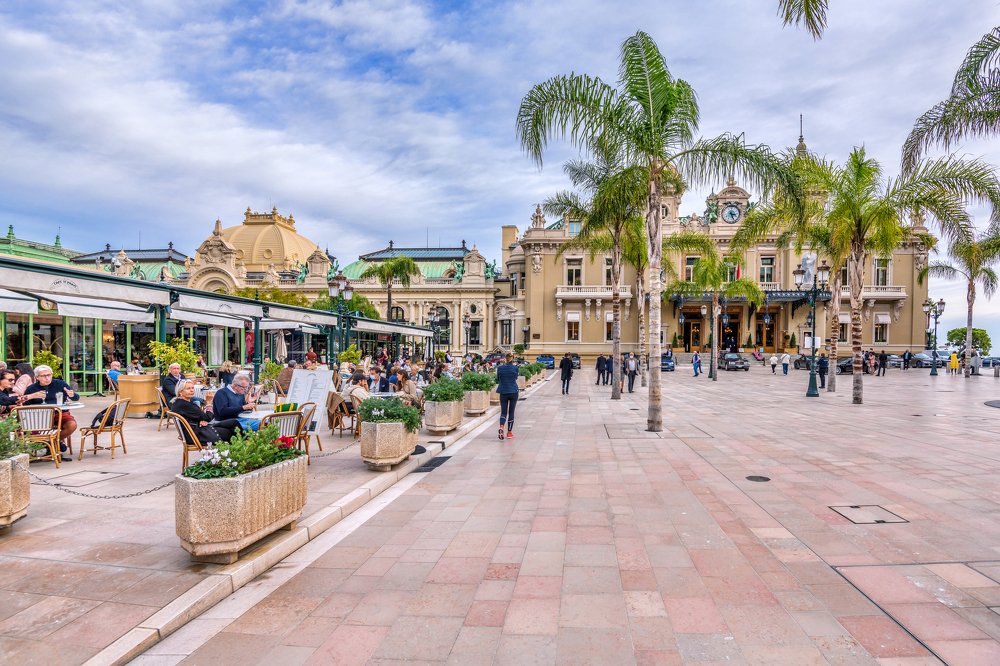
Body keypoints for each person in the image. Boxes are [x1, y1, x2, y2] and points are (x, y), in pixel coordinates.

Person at [23, 365, 78, 456]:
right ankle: (53, 444)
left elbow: (76, 397)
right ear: (37, 377)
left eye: (49, 375)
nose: (47, 378)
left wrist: (72, 395)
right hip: (39, 416)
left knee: (72, 425)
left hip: (59, 413)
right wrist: (33, 396)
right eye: (44, 376)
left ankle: (52, 442)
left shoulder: (60, 384)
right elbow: (25, 405)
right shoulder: (31, 389)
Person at [170, 379, 236, 444]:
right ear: (180, 392)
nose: (191, 390)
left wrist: (200, 420)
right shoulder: (184, 404)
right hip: (195, 435)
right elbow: (208, 418)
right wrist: (209, 403)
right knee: (232, 430)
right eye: (188, 388)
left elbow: (200, 417)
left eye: (192, 388)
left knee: (232, 422)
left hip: (194, 431)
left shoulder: (179, 402)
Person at [496, 353, 519, 440]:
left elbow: (498, 379)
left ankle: (501, 427)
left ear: (505, 358)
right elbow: (515, 378)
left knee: (503, 412)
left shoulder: (500, 368)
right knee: (511, 412)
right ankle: (509, 433)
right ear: (512, 359)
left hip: (503, 391)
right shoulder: (515, 368)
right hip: (513, 391)